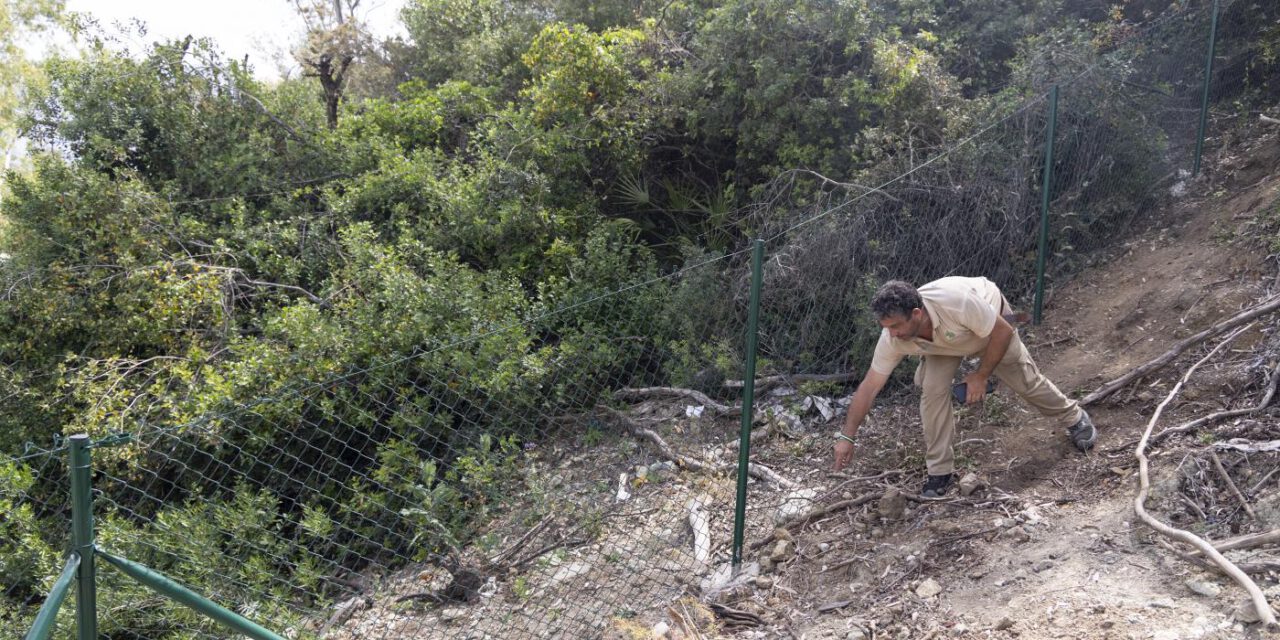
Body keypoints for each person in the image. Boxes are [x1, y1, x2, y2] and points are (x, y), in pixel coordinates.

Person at [831, 277, 1095, 497]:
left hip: (990, 328)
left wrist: (980, 375)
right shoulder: (893, 337)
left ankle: (1075, 417)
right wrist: (847, 437)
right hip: (943, 343)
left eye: (896, 326)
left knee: (1025, 381)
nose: (892, 334)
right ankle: (939, 473)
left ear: (917, 314)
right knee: (932, 391)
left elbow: (1002, 331)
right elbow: (869, 386)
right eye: (886, 327)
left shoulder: (956, 302)